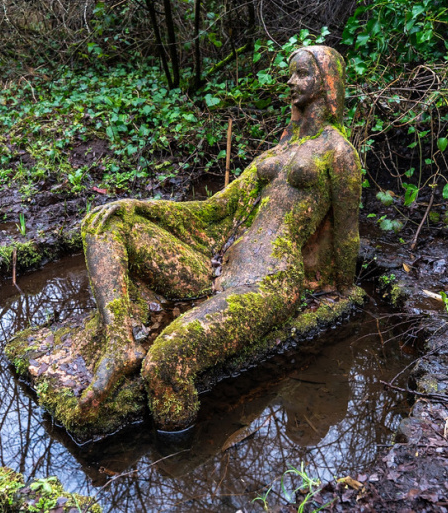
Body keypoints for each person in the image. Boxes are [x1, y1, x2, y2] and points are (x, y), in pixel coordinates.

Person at [79, 45, 361, 430]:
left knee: (165, 363)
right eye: (290, 73)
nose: (291, 82)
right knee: (103, 223)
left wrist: (341, 294)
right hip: (217, 265)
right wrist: (137, 205)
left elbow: (346, 233)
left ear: (327, 83)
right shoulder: (277, 150)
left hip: (269, 280)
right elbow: (214, 208)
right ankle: (119, 343)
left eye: (302, 74)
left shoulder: (339, 152)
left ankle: (181, 453)